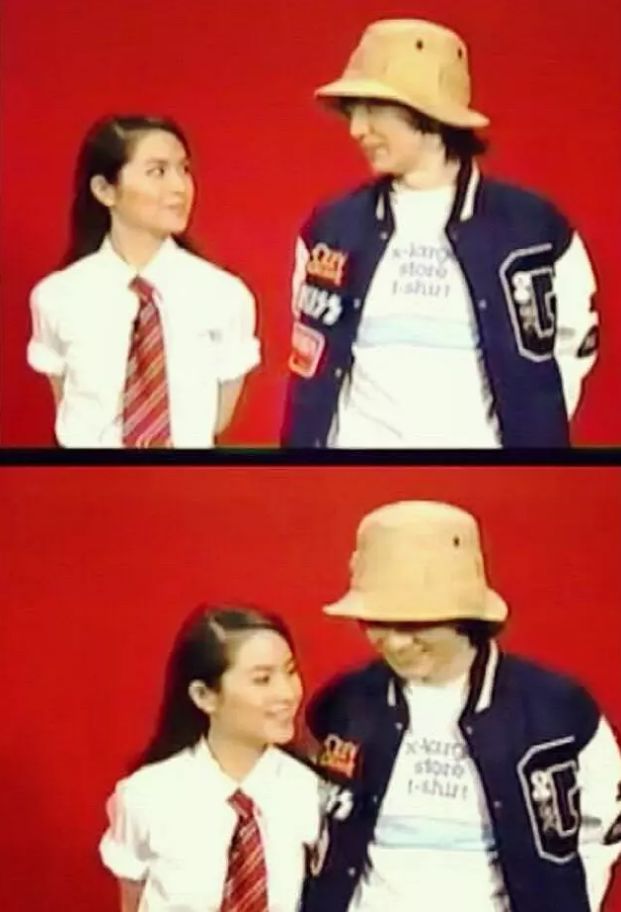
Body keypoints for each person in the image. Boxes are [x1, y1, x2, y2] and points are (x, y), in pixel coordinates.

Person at [281, 20, 599, 448]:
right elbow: (310, 354)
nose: (356, 128)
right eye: (353, 111)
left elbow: (574, 344)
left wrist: (531, 434)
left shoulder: (535, 229)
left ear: (429, 115)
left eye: (373, 109)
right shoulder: (330, 228)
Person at [302, 501, 621, 911]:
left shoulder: (559, 709)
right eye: (376, 622)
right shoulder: (344, 702)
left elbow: (603, 827)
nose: (395, 643)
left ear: (466, 618)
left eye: (414, 624)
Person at [27, 115, 260, 447]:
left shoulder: (224, 296)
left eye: (184, 170)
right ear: (105, 190)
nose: (180, 187)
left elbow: (218, 418)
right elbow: (66, 402)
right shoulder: (57, 297)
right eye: (158, 172)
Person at [100, 605, 319, 912]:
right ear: (204, 696)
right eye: (263, 679)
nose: (288, 693)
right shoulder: (145, 796)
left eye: (291, 671)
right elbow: (131, 901)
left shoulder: (312, 792)